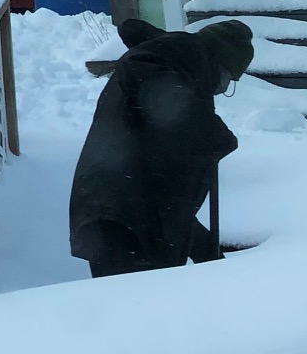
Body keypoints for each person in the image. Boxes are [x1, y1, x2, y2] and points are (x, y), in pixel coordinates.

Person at [69, 17, 253, 278]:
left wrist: (206, 252)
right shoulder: (154, 67)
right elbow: (156, 89)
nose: (221, 89)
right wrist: (205, 126)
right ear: (216, 63)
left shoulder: (174, 66)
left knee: (143, 306)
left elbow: (169, 193)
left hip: (131, 214)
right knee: (132, 307)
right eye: (227, 79)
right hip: (119, 219)